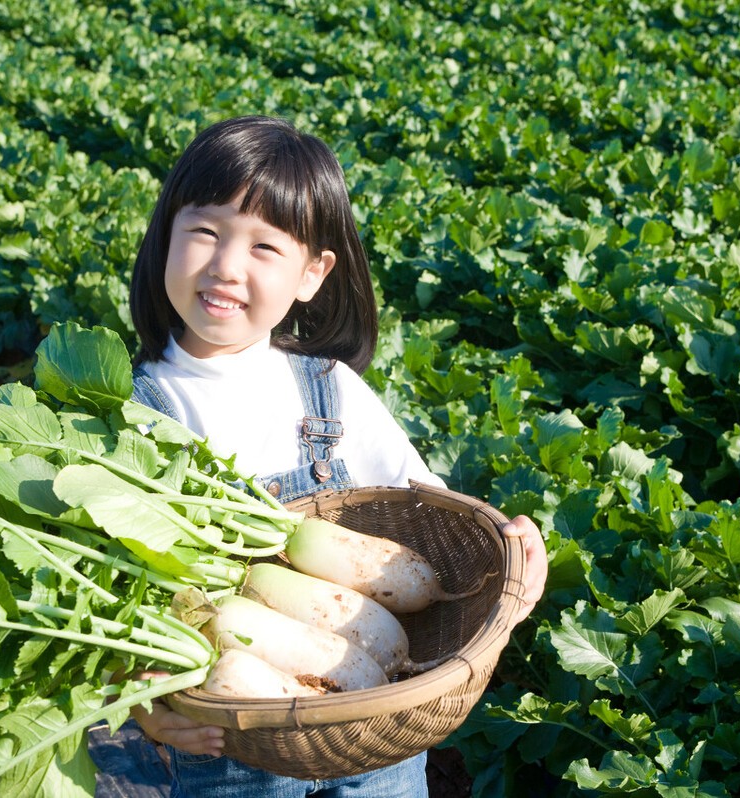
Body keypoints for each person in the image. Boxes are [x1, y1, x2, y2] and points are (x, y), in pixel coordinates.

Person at [123, 115, 548, 797]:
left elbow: (425, 508)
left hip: (376, 728)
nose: (226, 266)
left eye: (265, 247)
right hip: (233, 742)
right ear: (164, 235)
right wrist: (147, 711)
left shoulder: (329, 390)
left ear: (312, 274)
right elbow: (121, 613)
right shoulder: (132, 415)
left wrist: (505, 556)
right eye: (204, 231)